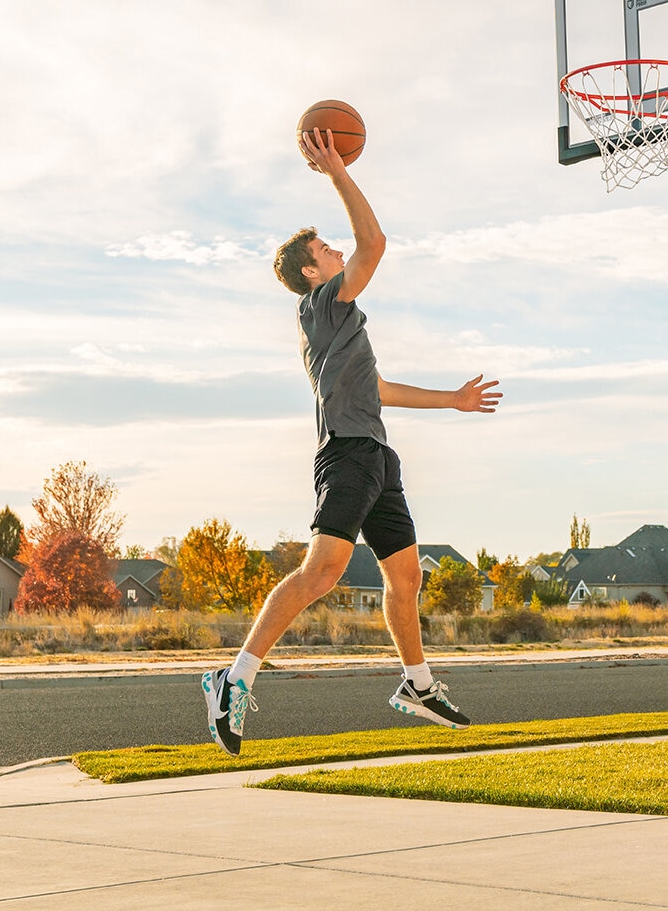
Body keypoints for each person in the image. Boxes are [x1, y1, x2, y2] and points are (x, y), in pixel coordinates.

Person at [202, 125, 502, 756]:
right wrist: (337, 168)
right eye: (327, 249)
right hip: (348, 453)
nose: (340, 253)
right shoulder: (322, 305)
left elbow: (381, 388)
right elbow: (375, 243)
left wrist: (452, 399)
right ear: (312, 271)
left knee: (406, 579)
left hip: (376, 455)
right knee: (322, 574)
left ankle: (417, 686)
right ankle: (232, 678)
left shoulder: (339, 326)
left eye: (333, 248)